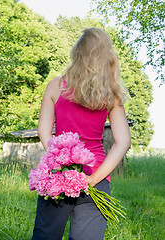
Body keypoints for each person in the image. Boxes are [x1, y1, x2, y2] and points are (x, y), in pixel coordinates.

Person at [32, 28, 131, 240]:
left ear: (77, 54)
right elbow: (123, 142)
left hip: (56, 177)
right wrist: (94, 178)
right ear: (107, 57)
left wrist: (63, 164)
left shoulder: (55, 86)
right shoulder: (112, 95)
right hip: (97, 178)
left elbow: (43, 131)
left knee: (46, 236)